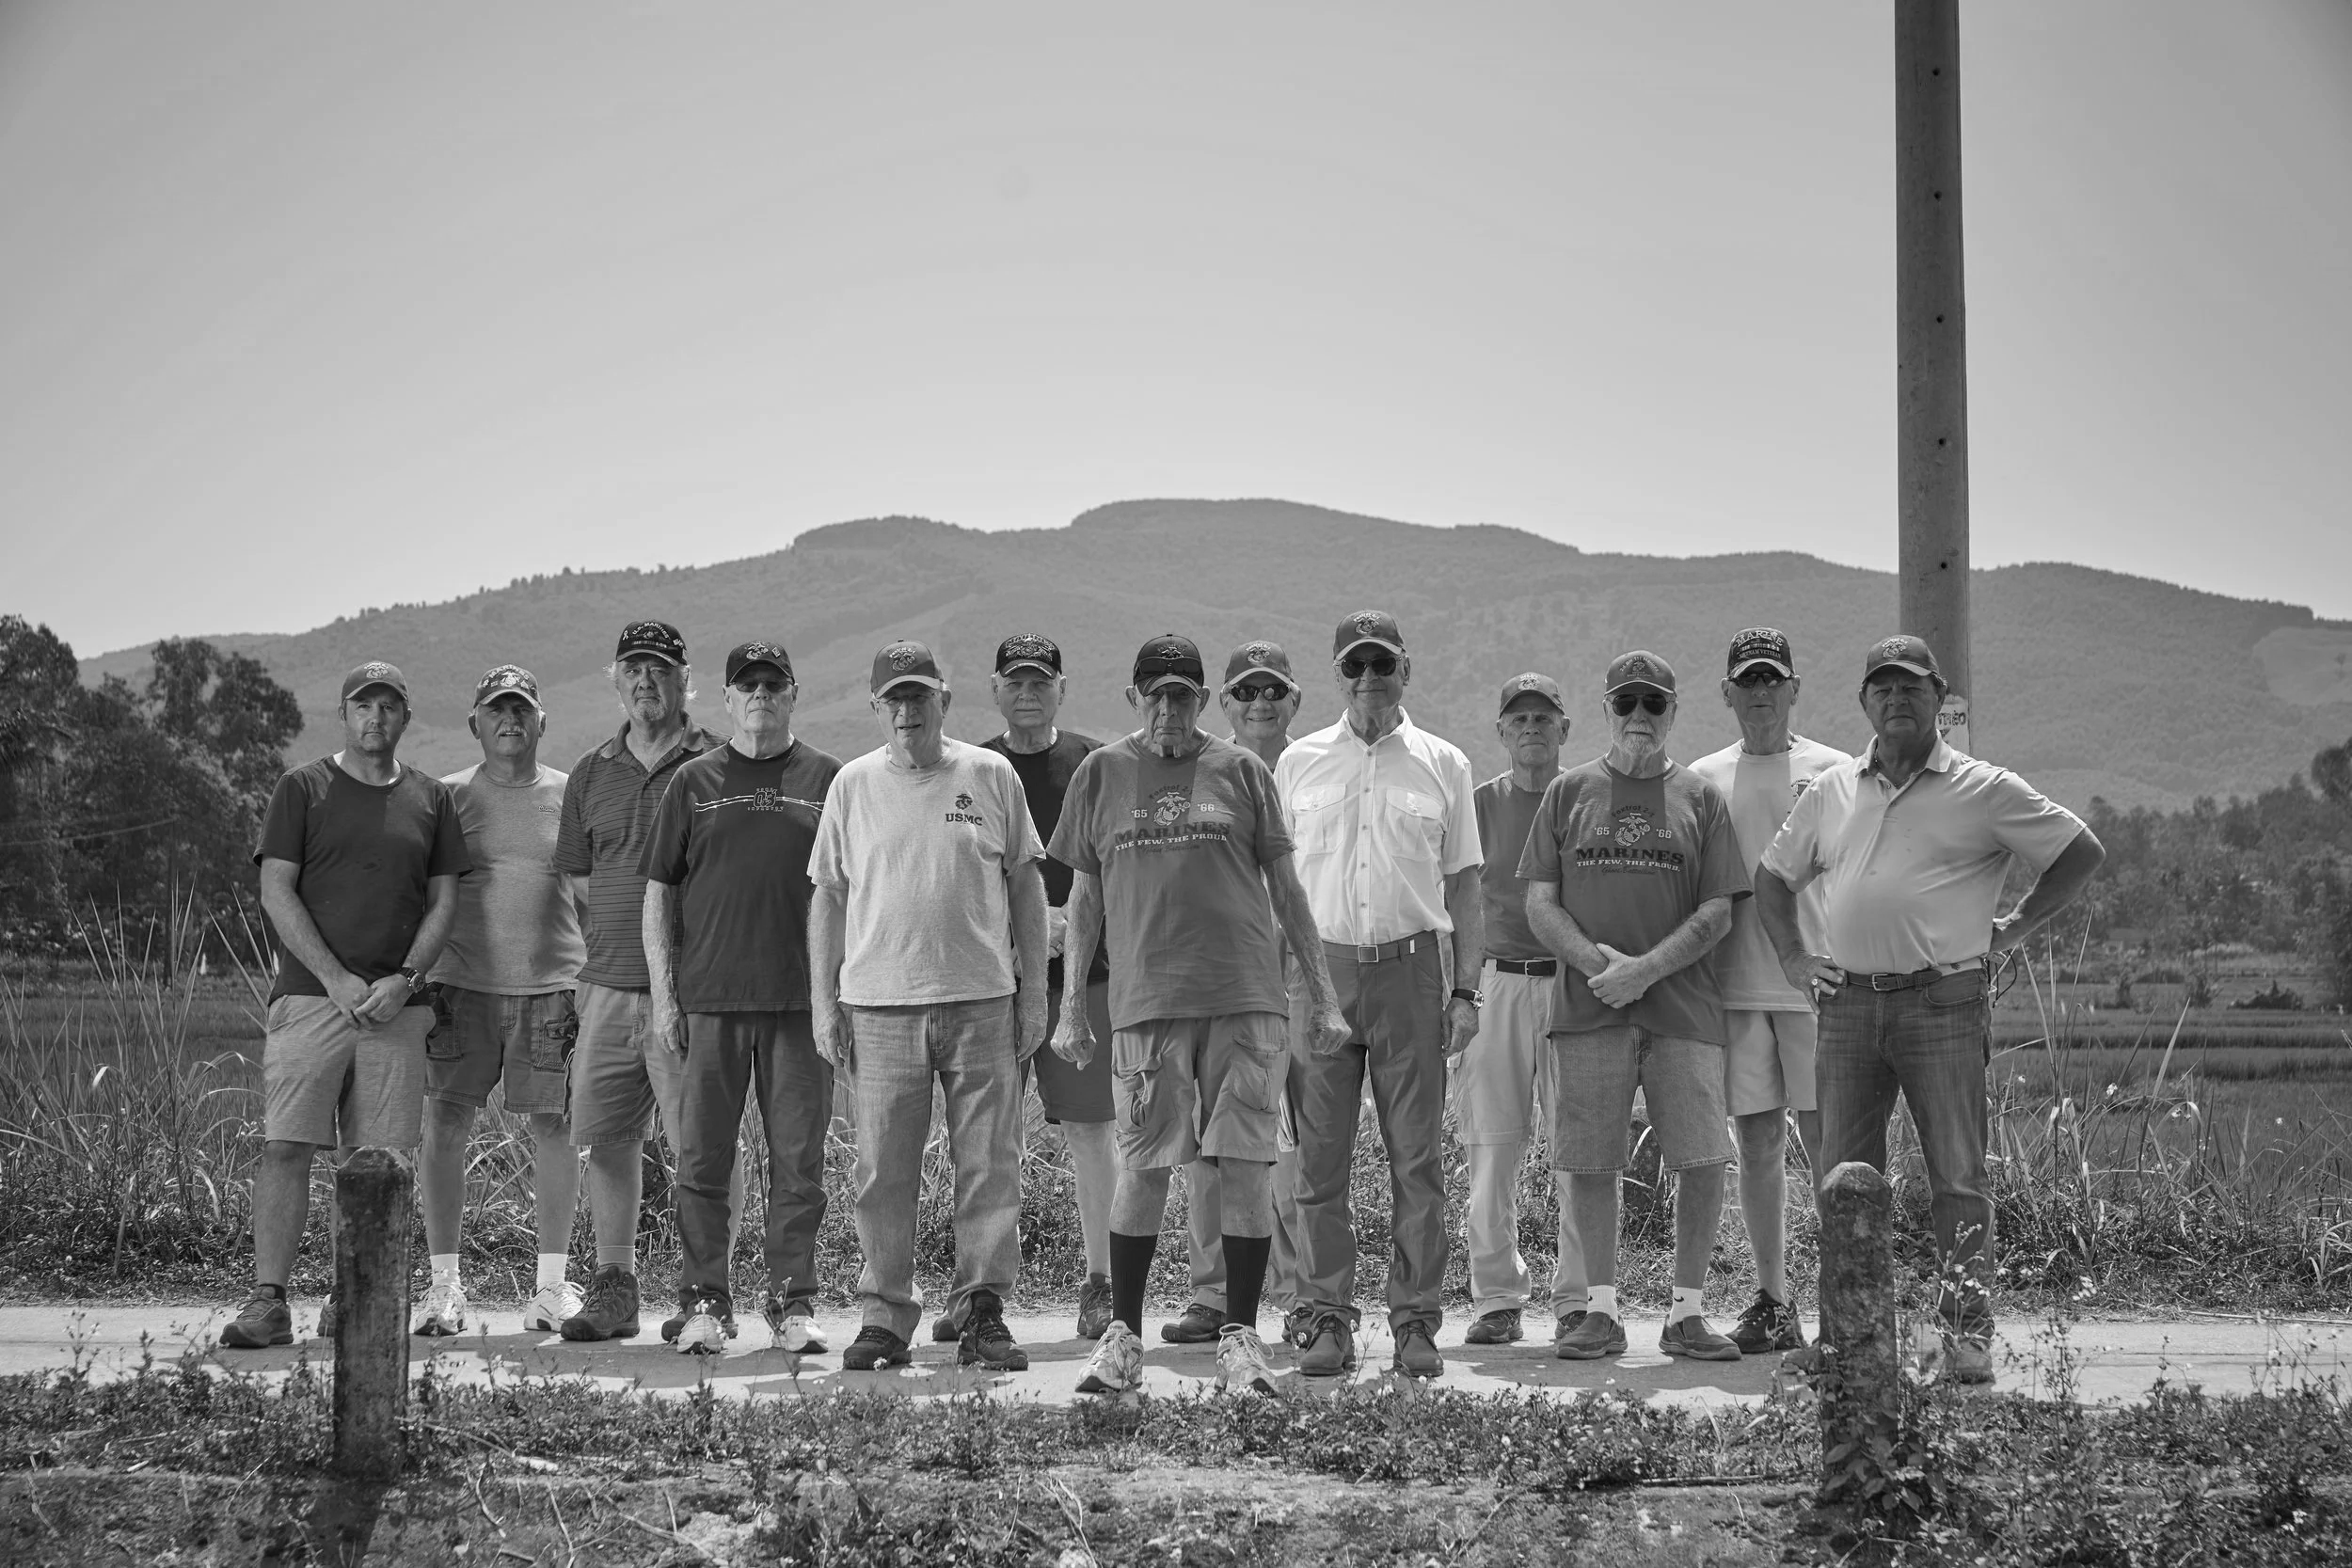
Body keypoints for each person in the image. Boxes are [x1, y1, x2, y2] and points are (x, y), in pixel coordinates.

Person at [1756, 634, 2105, 1385]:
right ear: (1864, 702)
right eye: (1881, 687)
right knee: (1844, 1179)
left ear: (1938, 698)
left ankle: (1963, 1339)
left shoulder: (1984, 787)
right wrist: (1792, 958)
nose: (1895, 698)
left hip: (1944, 1000)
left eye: (1910, 686)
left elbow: (2079, 850)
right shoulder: (1832, 790)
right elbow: (1773, 878)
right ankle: (1854, 1341)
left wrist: (2016, 927)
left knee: (1957, 1177)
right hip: (1846, 1003)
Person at [1053, 635, 1349, 1397]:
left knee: (1245, 1167)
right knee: (1145, 1166)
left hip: (1246, 1003)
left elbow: (1288, 890)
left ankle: (1240, 1340)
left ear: (1201, 698)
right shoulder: (1100, 774)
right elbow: (1083, 899)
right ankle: (1123, 1339)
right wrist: (1069, 1009)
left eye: (1182, 693)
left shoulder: (1242, 771)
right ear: (1133, 697)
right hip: (1146, 1005)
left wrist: (1322, 995)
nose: (1168, 708)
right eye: (1154, 693)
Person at [808, 640, 1050, 1373]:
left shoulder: (990, 774)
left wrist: (1034, 991)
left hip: (982, 1000)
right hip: (880, 1007)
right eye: (895, 699)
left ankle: (980, 1308)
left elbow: (1025, 885)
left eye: (921, 695)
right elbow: (828, 895)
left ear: (945, 697)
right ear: (875, 707)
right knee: (882, 1170)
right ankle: (884, 1315)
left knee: (990, 1163)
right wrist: (824, 1001)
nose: (909, 710)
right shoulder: (851, 785)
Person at [220, 661, 468, 1350]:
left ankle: (353, 1295)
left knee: (375, 1162)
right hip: (310, 1000)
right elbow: (277, 891)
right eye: (365, 705)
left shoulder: (430, 799)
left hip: (397, 1007)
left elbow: (445, 901)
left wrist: (406, 980)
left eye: (390, 706)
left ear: (405, 718)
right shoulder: (302, 788)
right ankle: (270, 1300)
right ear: (345, 712)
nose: (376, 718)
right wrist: (334, 979)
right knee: (286, 1145)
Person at [1521, 650, 1748, 1363]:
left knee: (1704, 1156)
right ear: (1608, 712)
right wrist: (1600, 967)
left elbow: (1719, 911)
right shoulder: (1568, 793)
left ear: (1675, 711)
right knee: (1590, 1161)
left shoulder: (1703, 799)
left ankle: (1687, 1314)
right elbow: (1539, 902)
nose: (1640, 717)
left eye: (1654, 704)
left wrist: (1646, 970)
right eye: (1627, 704)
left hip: (1684, 1010)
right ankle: (1602, 1310)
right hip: (1589, 1009)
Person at [1276, 610, 1483, 1379]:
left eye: (1382, 664)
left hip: (1410, 971)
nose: (1370, 679)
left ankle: (1415, 1321)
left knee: (1416, 1159)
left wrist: (1466, 991)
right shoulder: (1296, 764)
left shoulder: (1444, 763)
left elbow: (1466, 884)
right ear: (1338, 674)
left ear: (1406, 669)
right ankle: (1325, 1316)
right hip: (1319, 972)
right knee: (1319, 1162)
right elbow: (1275, 886)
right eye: (1355, 666)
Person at [642, 641, 843, 1355]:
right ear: (726, 700)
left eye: (772, 684)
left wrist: (839, 997)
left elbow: (851, 890)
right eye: (746, 685)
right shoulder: (694, 782)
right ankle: (704, 1301)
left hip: (801, 1006)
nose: (760, 694)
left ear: (793, 694)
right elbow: (658, 894)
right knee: (702, 1159)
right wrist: (666, 998)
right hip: (712, 1002)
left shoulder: (829, 778)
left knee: (799, 1162)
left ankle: (793, 1302)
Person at [550, 621, 732, 1343]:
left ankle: (702, 1291)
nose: (646, 681)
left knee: (701, 1144)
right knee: (610, 1138)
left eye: (660, 668)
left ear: (685, 678)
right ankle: (616, 1286)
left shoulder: (718, 759)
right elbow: (578, 877)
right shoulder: (591, 771)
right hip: (606, 987)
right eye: (633, 668)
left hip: (693, 990)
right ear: (615, 678)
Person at [1687, 628, 1849, 1355]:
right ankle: (1775, 1299)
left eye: (1771, 679)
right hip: (1733, 987)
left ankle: (1843, 1301)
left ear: (1794, 688)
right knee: (1756, 1145)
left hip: (1817, 982)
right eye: (1746, 680)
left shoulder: (1838, 770)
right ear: (1725, 691)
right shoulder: (1701, 777)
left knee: (1828, 1148)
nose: (1759, 693)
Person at [414, 666, 588, 1338]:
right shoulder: (448, 796)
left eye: (521, 709)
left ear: (542, 720)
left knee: (556, 1129)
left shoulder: (570, 794)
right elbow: (425, 892)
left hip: (553, 985)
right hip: (462, 987)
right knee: (446, 1123)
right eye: (496, 710)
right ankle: (445, 1287)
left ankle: (549, 1288)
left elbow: (590, 889)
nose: (509, 720)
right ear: (475, 724)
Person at [1160, 640, 1313, 1351]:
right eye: (1245, 690)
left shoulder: (1315, 770)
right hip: (1224, 983)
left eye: (1272, 690)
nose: (1260, 702)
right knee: (1215, 1146)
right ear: (1224, 701)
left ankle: (1310, 1292)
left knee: (1309, 1145)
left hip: (1304, 982)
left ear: (1295, 700)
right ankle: (1212, 1293)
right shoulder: (1204, 774)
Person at [973, 633, 1120, 1343]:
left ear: (1062, 686)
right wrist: (1028, 929)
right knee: (988, 1137)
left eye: (1040, 680)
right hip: (993, 979)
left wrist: (1069, 926)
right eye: (1015, 680)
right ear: (994, 688)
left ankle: (1102, 1281)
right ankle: (979, 1290)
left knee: (1093, 1133)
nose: (1027, 691)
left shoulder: (1094, 762)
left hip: (1086, 975)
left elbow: (1120, 861)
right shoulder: (972, 766)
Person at [1458, 673, 1584, 1347]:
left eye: (1544, 716)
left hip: (1572, 982)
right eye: (1519, 718)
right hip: (1496, 983)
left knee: (1579, 1152)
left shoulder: (1587, 798)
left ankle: (1578, 1298)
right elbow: (1453, 900)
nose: (1532, 727)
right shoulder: (1477, 804)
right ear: (1501, 731)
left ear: (1566, 729)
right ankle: (1497, 1297)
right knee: (1492, 1150)